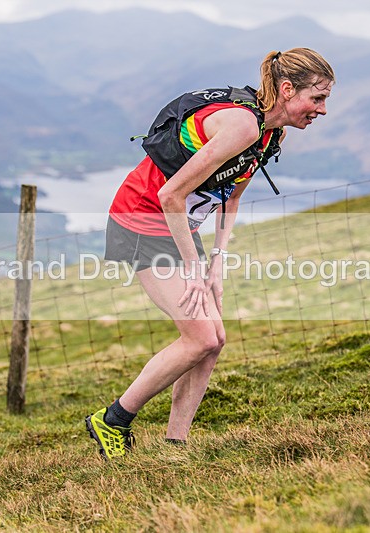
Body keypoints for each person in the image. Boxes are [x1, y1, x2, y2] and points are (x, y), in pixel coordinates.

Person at [85, 48, 335, 459]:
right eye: (318, 98)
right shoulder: (242, 126)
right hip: (141, 221)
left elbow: (231, 198)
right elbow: (170, 195)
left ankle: (175, 444)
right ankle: (112, 421)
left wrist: (217, 262)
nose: (322, 110)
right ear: (288, 90)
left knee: (213, 340)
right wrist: (195, 268)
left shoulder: (270, 134)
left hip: (178, 227)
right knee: (201, 336)